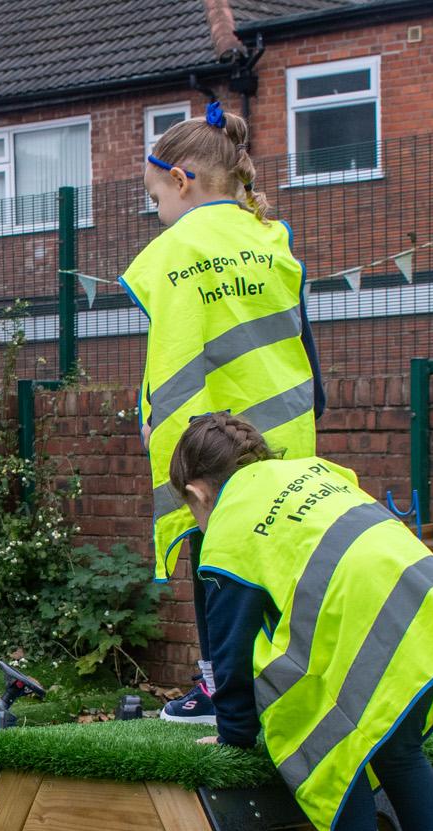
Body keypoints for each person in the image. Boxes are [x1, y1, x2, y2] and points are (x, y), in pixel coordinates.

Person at [172, 412, 433, 831]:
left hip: (359, 616)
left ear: (198, 492)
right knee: (400, 751)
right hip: (425, 607)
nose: (197, 521)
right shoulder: (314, 471)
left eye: (191, 509)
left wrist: (235, 736)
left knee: (310, 717)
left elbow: (230, 651)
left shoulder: (228, 527)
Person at [119, 100, 326, 725]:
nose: (158, 214)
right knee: (276, 563)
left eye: (157, 198)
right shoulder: (272, 237)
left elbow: (177, 346)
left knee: (216, 563)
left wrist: (160, 419)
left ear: (181, 182)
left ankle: (218, 688)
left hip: (213, 437)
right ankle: (276, 684)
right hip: (287, 431)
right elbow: (302, 338)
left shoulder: (176, 248)